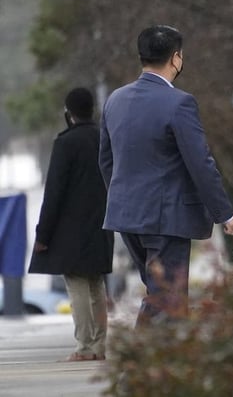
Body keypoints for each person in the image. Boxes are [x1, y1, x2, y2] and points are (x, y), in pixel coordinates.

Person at [99, 25, 233, 326]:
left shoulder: (115, 100)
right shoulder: (179, 103)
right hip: (166, 218)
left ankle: (152, 366)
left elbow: (106, 160)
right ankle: (144, 368)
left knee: (158, 293)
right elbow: (200, 162)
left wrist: (122, 196)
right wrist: (224, 213)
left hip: (128, 216)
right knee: (168, 301)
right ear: (176, 58)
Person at [29, 87, 114, 361]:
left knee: (76, 283)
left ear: (69, 113)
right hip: (103, 225)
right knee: (96, 284)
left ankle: (85, 346)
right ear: (92, 110)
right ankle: (100, 346)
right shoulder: (104, 139)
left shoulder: (66, 143)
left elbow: (54, 193)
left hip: (72, 232)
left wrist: (43, 235)